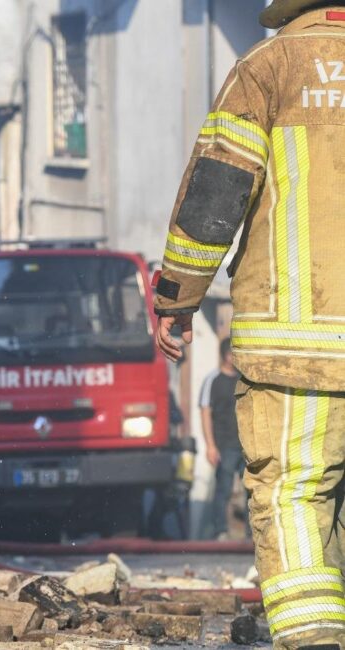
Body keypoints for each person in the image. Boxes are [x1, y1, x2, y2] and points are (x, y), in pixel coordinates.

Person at [154, 2, 345, 646]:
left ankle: (317, 636)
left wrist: (177, 299)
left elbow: (215, 194)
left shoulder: (268, 68)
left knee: (294, 490)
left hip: (300, 347)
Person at [198, 337, 246, 540]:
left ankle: (253, 535)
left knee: (253, 492)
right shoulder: (213, 380)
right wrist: (210, 445)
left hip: (246, 445)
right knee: (223, 490)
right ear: (226, 355)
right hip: (224, 445)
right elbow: (205, 412)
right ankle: (220, 531)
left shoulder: (245, 380)